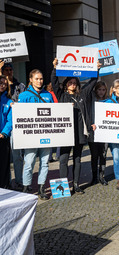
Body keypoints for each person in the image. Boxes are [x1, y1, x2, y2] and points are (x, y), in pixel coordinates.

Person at [51, 58, 100, 194]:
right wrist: (55, 68)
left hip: (79, 133)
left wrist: (96, 70)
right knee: (63, 160)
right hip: (65, 133)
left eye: (74, 83)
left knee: (77, 159)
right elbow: (54, 83)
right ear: (66, 84)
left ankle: (76, 185)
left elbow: (92, 83)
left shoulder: (82, 95)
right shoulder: (61, 96)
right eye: (70, 82)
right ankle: (63, 188)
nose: (72, 84)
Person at [18, 69, 54, 199]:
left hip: (45, 135)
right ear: (31, 79)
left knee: (44, 162)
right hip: (31, 136)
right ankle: (26, 186)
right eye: (37, 79)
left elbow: (54, 113)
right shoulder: (24, 96)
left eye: (41, 79)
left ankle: (41, 187)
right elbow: (20, 116)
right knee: (29, 162)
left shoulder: (48, 95)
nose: (39, 81)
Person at [0, 60, 25, 190]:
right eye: (6, 70)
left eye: (11, 70)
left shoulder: (19, 86)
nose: (9, 72)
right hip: (5, 128)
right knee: (4, 159)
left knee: (16, 156)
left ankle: (18, 181)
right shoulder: (2, 86)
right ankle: (7, 182)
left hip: (14, 127)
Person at [88, 81, 109, 186]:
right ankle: (94, 177)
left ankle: (102, 176)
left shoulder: (108, 101)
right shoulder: (91, 99)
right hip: (93, 132)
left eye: (103, 90)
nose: (101, 92)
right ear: (96, 90)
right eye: (99, 89)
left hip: (105, 133)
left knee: (103, 155)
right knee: (94, 156)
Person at [0, 75, 13, 189]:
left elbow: (10, 120)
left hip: (3, 138)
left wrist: (4, 133)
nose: (3, 85)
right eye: (0, 83)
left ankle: (4, 188)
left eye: (5, 84)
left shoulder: (9, 101)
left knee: (4, 166)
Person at [45, 82, 60, 163]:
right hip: (56, 115)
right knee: (58, 137)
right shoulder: (56, 94)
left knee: (49, 138)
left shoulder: (47, 94)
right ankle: (58, 155)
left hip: (49, 117)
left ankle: (49, 156)